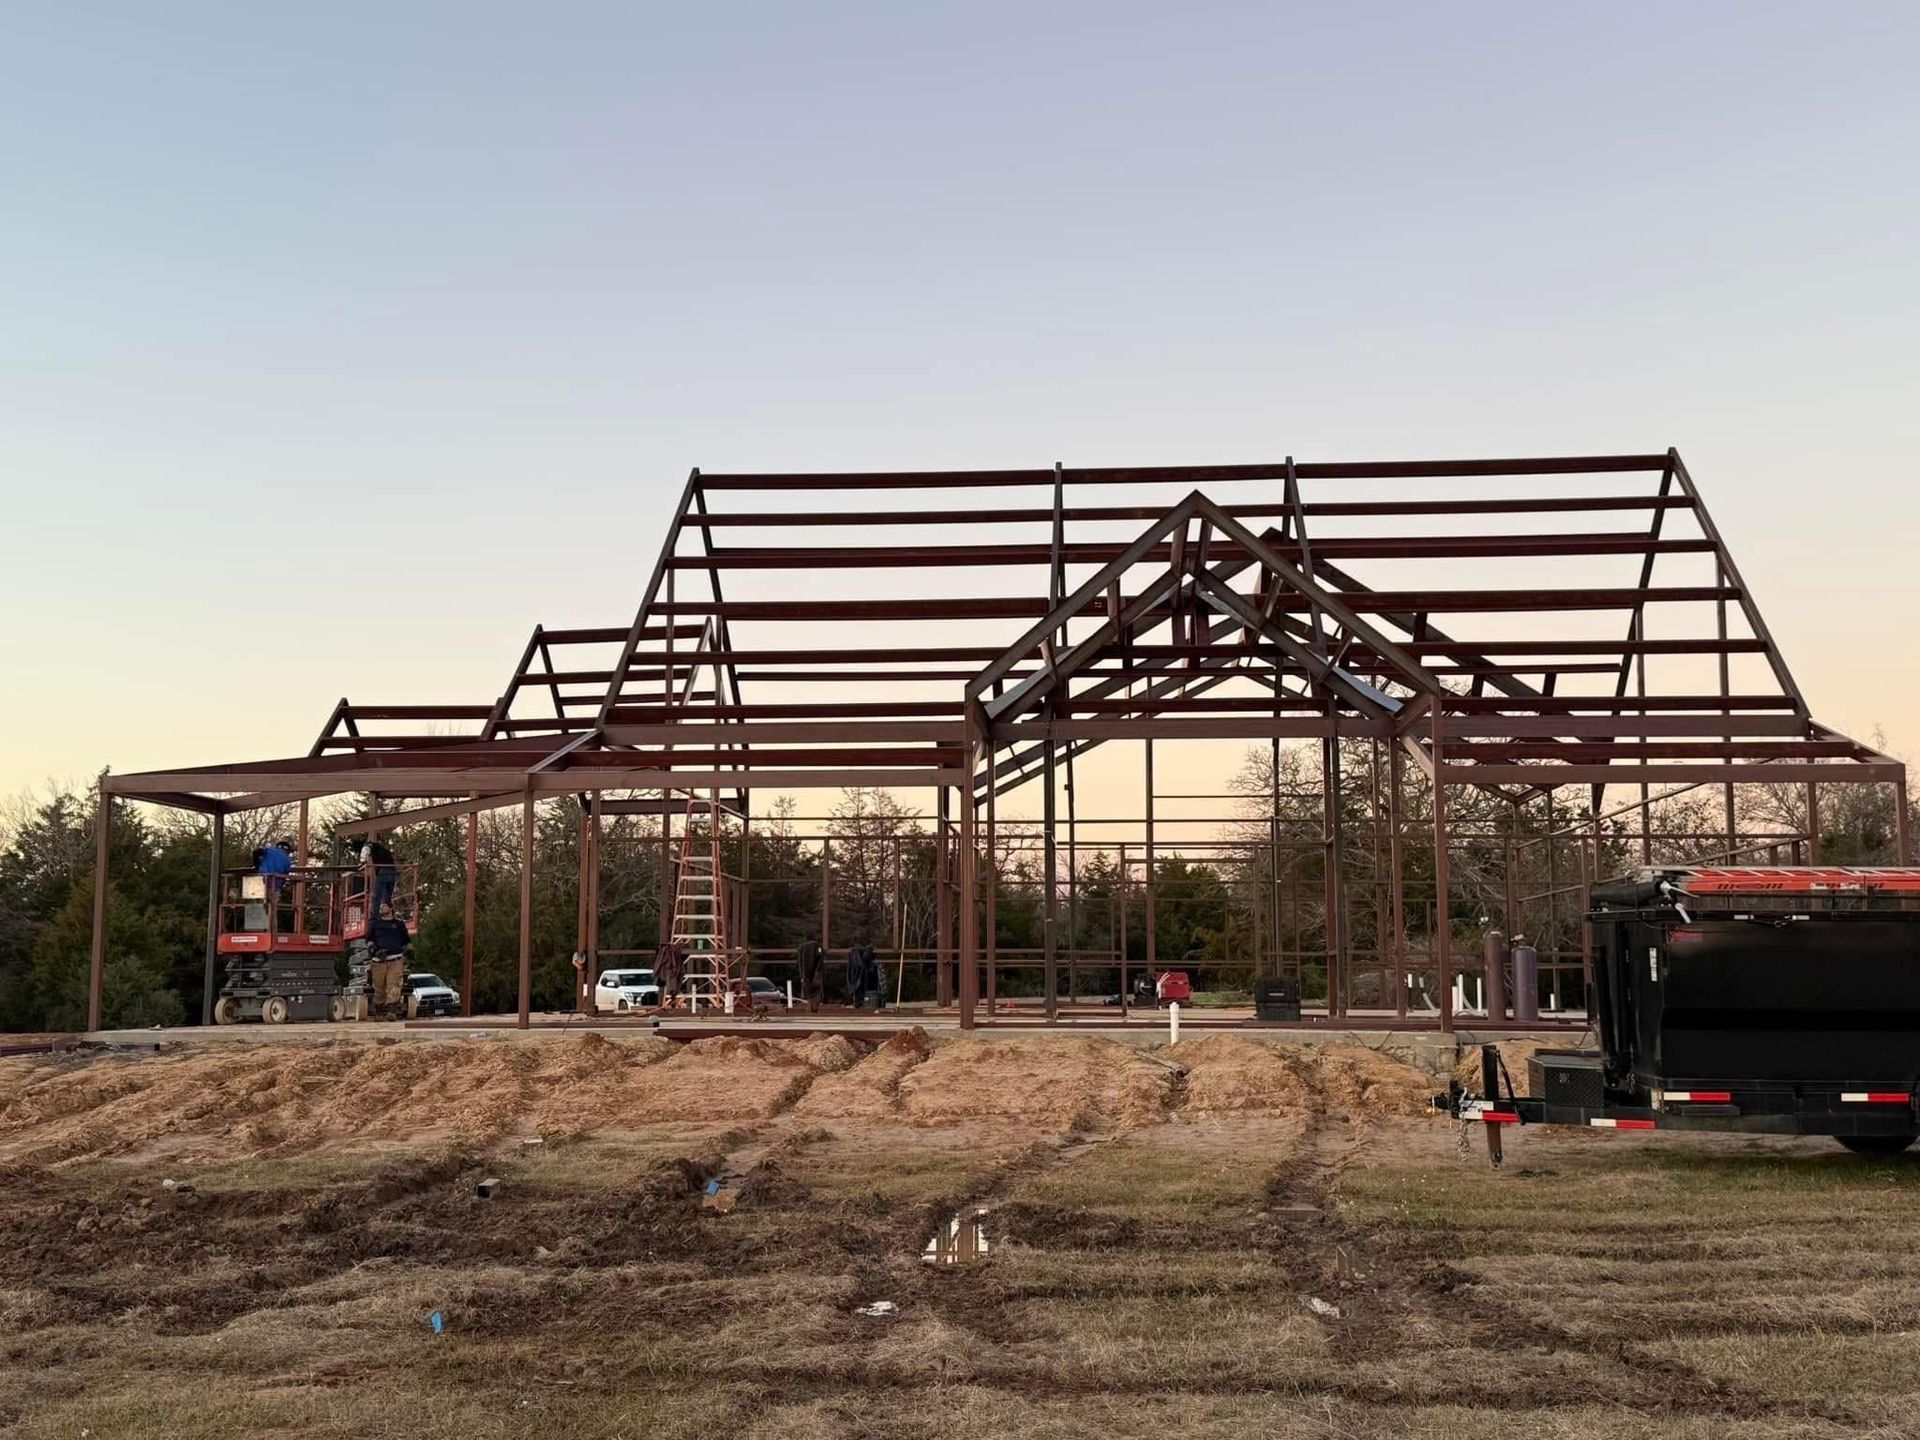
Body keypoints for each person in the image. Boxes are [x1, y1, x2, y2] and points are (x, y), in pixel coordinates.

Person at [360, 837, 398, 920]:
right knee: (387, 895)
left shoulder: (369, 846)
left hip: (384, 871)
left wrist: (362, 862)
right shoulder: (382, 850)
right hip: (392, 871)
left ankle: (375, 916)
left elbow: (365, 852)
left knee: (377, 895)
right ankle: (389, 914)